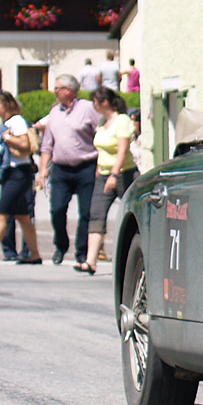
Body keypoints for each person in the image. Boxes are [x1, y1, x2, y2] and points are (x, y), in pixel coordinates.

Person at [36, 75, 102, 266]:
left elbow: (101, 135)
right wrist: (43, 170)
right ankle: (60, 245)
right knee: (57, 209)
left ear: (69, 90)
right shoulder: (55, 112)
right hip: (61, 169)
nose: (55, 92)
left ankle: (81, 251)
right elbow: (47, 145)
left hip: (86, 167)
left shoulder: (88, 109)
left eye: (58, 88)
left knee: (86, 213)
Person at [75, 87, 138, 274]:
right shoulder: (103, 122)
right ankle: (90, 261)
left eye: (95, 101)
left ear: (104, 102)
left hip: (124, 174)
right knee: (96, 214)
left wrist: (114, 174)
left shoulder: (122, 121)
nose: (94, 105)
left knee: (133, 212)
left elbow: (122, 149)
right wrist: (100, 171)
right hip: (103, 175)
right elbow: (101, 151)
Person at [0, 91, 42, 265]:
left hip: (19, 173)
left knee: (0, 214)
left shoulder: (16, 122)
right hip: (11, 173)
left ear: (7, 105)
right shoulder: (6, 124)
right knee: (23, 217)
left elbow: (24, 144)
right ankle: (35, 255)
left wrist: (7, 137)